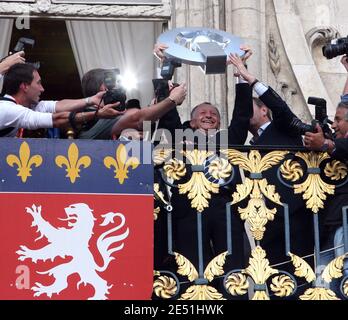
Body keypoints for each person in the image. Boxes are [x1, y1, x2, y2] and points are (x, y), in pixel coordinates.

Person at [152, 44, 253, 299]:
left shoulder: (228, 140)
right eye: (202, 113)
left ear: (218, 122)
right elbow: (168, 114)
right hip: (187, 208)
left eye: (213, 114)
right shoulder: (179, 136)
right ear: (193, 121)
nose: (208, 116)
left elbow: (242, 116)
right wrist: (165, 69)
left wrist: (241, 73)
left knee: (231, 268)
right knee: (189, 269)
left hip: (224, 208)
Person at [229, 54, 314, 296]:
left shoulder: (282, 128)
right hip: (266, 221)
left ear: (264, 110)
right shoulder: (248, 143)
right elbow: (238, 119)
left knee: (301, 279)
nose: (245, 114)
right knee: (275, 282)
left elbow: (282, 108)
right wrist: (239, 84)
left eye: (250, 108)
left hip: (297, 215)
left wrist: (250, 79)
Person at [304, 55, 348, 297]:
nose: (335, 123)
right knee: (324, 286)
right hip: (329, 224)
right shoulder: (338, 143)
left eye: (339, 120)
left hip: (345, 220)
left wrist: (326, 145)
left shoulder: (339, 146)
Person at [0, 63, 124, 137]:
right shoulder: (7, 109)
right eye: (38, 83)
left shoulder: (26, 106)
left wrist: (90, 100)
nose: (42, 89)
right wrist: (97, 114)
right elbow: (57, 119)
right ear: (24, 86)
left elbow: (57, 105)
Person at [77, 68, 187, 140]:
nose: (122, 88)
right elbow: (138, 119)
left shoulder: (106, 115)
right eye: (117, 82)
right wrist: (172, 99)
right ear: (105, 87)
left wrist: (165, 71)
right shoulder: (96, 117)